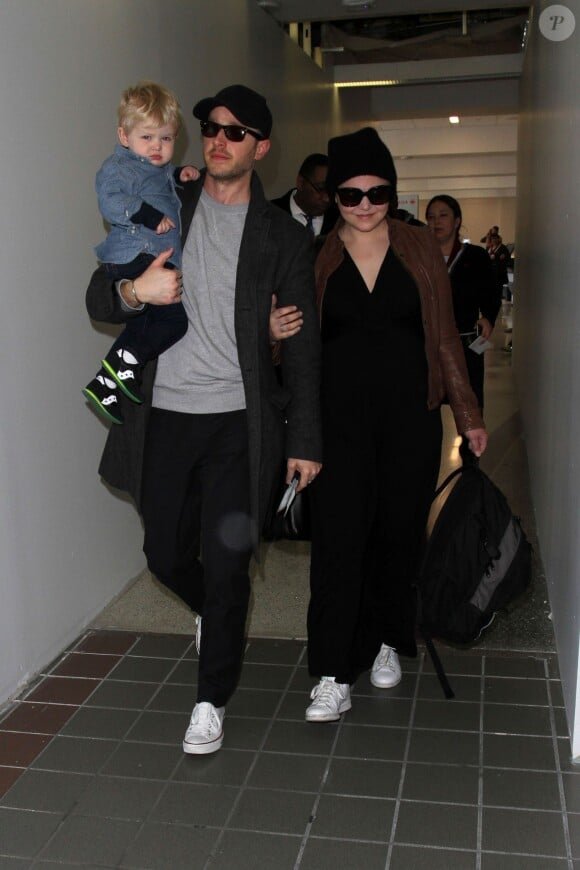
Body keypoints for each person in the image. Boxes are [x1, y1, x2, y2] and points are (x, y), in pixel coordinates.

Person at [85, 84, 322, 754]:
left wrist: (304, 439)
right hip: (163, 417)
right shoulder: (165, 198)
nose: (220, 140)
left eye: (237, 132)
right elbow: (98, 293)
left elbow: (301, 344)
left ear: (262, 148)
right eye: (211, 127)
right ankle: (213, 614)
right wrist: (137, 290)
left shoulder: (281, 235)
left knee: (227, 564)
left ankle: (210, 700)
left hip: (238, 425)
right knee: (164, 553)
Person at [300, 127, 487, 723]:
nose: (363, 205)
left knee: (398, 535)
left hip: (411, 420)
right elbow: (298, 347)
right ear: (334, 198)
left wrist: (470, 417)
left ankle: (386, 638)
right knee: (338, 542)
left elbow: (446, 340)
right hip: (339, 425)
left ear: (392, 190)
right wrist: (277, 341)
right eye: (349, 194)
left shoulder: (418, 248)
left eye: (376, 192)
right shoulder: (320, 257)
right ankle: (331, 671)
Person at [83, 82, 200, 424]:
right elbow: (112, 201)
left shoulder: (156, 167)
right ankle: (125, 364)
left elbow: (160, 178)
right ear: (124, 136)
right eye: (147, 138)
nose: (157, 147)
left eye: (165, 139)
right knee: (174, 320)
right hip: (137, 254)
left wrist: (181, 173)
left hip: (151, 255)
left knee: (160, 320)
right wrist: (147, 214)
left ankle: (108, 381)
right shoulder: (118, 168)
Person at [425, 195, 501, 426]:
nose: (436, 222)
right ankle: (427, 460)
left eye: (443, 215)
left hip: (466, 343)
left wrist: (488, 317)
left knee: (471, 403)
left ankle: (470, 460)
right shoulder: (421, 257)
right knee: (426, 405)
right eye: (431, 217)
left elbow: (491, 291)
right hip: (428, 345)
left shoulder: (475, 256)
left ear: (457, 221)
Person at [271, 153, 339, 244]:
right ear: (300, 183)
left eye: (331, 191)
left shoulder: (340, 220)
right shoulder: (269, 214)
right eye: (320, 189)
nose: (327, 198)